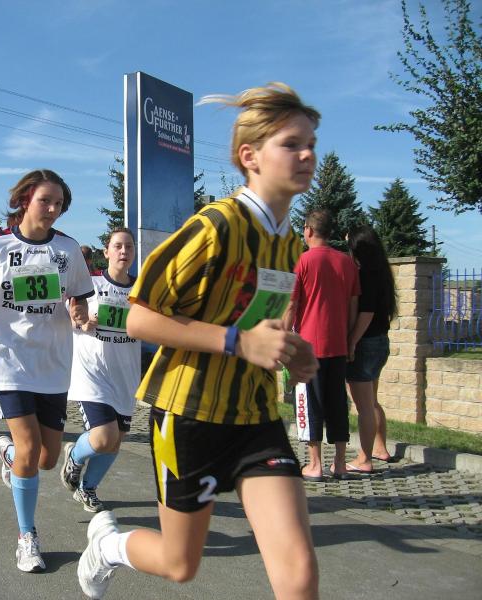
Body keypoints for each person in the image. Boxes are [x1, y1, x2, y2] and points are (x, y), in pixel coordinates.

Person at [77, 82, 320, 600]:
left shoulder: (289, 242)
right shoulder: (214, 227)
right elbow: (139, 319)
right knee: (179, 563)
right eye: (291, 144)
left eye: (311, 144)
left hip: (256, 419)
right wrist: (238, 343)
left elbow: (259, 322)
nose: (307, 155)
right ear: (250, 157)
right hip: (189, 416)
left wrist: (291, 349)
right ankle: (108, 546)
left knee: (299, 576)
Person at [0, 169, 93, 573]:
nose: (52, 209)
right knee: (31, 451)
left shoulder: (68, 250)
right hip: (8, 359)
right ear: (25, 200)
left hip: (52, 363)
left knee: (46, 458)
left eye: (59, 204)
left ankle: (8, 453)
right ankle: (27, 537)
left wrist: (79, 314)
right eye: (46, 200)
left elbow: (80, 298)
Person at [61, 228, 140, 512]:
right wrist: (79, 322)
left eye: (129, 247)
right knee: (103, 437)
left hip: (125, 375)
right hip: (92, 373)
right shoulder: (88, 285)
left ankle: (87, 488)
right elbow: (63, 316)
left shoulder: (141, 291)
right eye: (117, 246)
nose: (123, 251)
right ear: (106, 252)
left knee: (115, 442)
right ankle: (75, 456)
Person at [288, 209, 360, 481]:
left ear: (308, 230)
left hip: (309, 346)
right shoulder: (347, 263)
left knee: (309, 403)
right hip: (338, 345)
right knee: (337, 402)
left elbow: (292, 304)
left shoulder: (304, 261)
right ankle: (340, 463)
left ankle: (315, 464)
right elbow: (353, 305)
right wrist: (350, 339)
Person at [345, 225, 398, 471]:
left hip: (365, 344)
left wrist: (352, 342)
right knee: (372, 401)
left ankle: (364, 459)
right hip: (380, 342)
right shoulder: (382, 273)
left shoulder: (365, 275)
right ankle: (380, 448)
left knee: (363, 406)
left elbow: (366, 313)